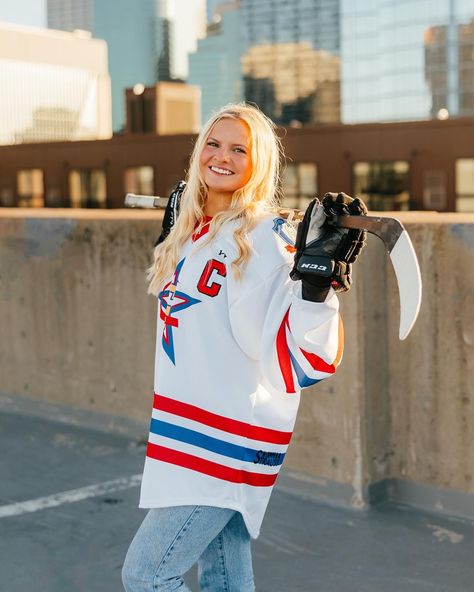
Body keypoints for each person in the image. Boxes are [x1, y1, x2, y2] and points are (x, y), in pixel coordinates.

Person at [121, 103, 366, 592]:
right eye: (213, 143)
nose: (222, 156)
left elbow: (304, 358)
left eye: (240, 149)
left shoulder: (266, 237)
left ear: (260, 164)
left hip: (227, 439)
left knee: (148, 575)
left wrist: (314, 286)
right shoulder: (194, 231)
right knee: (224, 577)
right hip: (187, 433)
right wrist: (181, 232)